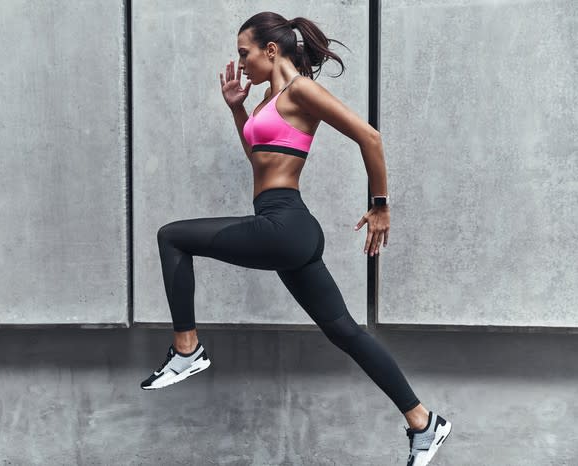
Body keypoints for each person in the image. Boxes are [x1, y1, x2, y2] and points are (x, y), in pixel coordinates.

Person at [140, 11, 452, 465]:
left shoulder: (301, 90)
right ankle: (424, 422)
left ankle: (187, 350)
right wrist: (237, 109)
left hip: (285, 226)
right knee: (345, 332)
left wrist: (381, 204)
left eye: (244, 53)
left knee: (172, 238)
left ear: (271, 50)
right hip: (288, 228)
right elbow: (261, 161)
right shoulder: (269, 98)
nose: (239, 62)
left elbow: (369, 136)